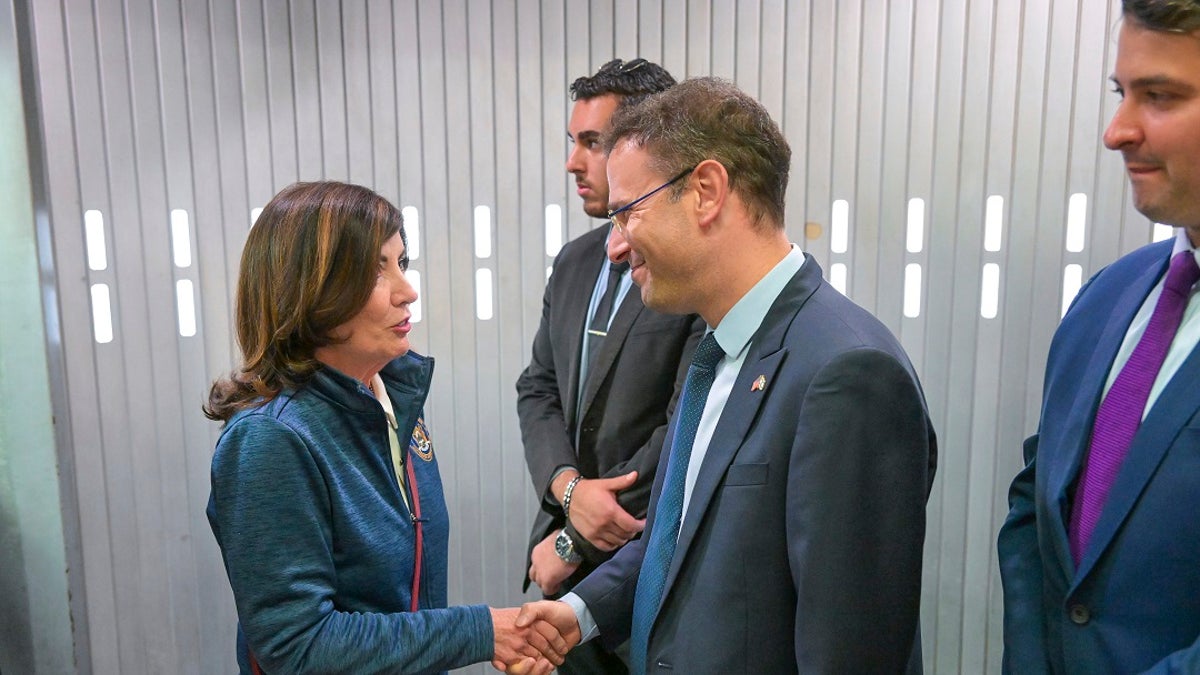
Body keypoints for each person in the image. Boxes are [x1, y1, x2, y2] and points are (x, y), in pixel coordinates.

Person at [512, 77, 938, 674]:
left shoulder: (847, 373)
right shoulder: (719, 352)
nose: (617, 244)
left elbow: (852, 650)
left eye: (629, 212)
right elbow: (675, 538)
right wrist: (580, 611)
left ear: (706, 192)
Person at [204, 181, 565, 675]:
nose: (407, 291)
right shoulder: (271, 440)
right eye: (377, 270)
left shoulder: (388, 401)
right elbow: (298, 647)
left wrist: (493, 642)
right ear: (311, 289)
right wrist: (482, 633)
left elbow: (401, 603)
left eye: (402, 263)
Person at [998, 1, 1200, 672]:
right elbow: (1035, 506)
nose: (1117, 131)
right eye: (1122, 92)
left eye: (1160, 97)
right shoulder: (1104, 301)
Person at [516, 58, 704, 675]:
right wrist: (568, 491)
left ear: (639, 146)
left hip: (646, 563)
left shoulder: (689, 268)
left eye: (592, 143)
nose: (574, 162)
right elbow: (538, 387)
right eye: (574, 142)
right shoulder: (574, 262)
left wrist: (578, 538)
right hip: (562, 569)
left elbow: (687, 422)